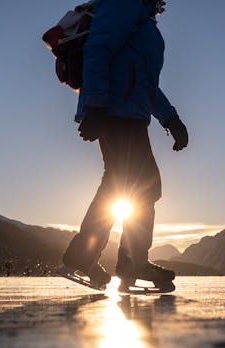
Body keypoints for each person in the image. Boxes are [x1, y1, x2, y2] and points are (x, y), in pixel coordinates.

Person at [60, 0, 188, 292]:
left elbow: (145, 81)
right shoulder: (124, 2)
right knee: (141, 184)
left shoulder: (141, 15)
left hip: (128, 112)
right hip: (115, 111)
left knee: (122, 183)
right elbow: (98, 49)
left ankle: (88, 260)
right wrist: (95, 105)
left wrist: (170, 118)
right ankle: (126, 264)